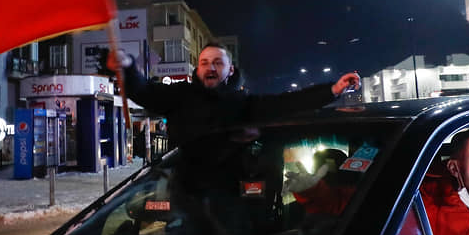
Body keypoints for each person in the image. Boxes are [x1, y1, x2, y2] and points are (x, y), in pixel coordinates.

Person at [104, 43, 360, 152]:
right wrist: (127, 66)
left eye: (217, 62)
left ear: (230, 70)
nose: (210, 67)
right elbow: (145, 91)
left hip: (230, 203)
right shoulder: (180, 96)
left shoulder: (243, 103)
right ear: (198, 69)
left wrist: (332, 90)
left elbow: (289, 103)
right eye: (204, 62)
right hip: (185, 198)